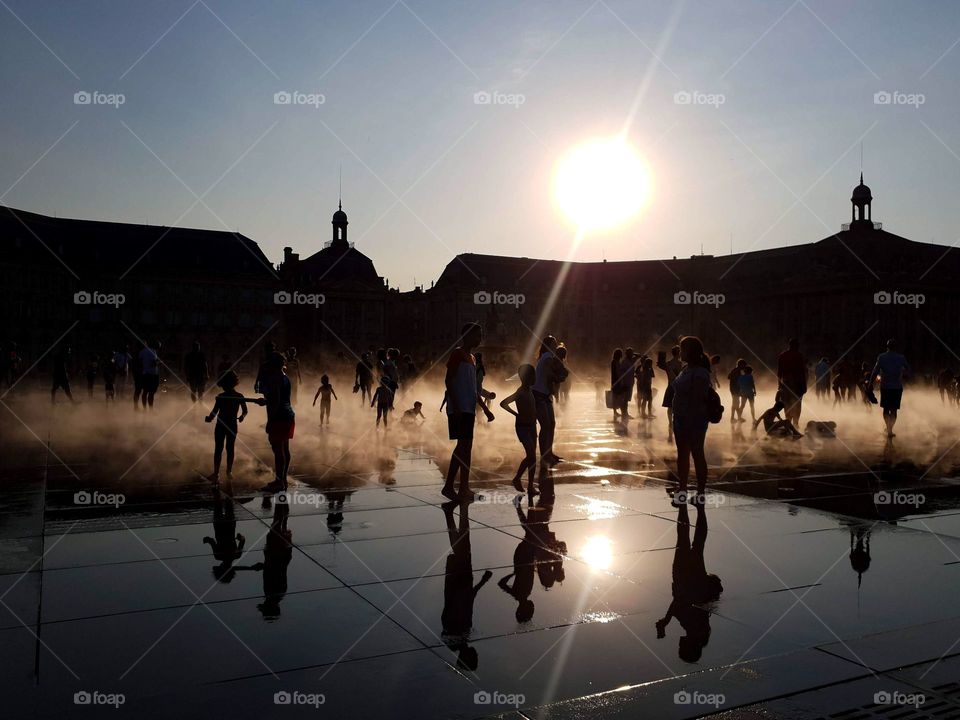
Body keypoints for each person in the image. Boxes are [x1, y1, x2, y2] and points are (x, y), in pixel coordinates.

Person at [655, 503, 722, 663]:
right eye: (681, 649)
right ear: (689, 647)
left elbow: (679, 605)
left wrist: (666, 621)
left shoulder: (697, 630)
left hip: (693, 580)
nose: (678, 645)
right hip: (685, 579)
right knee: (685, 539)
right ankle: (684, 507)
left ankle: (697, 508)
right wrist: (666, 621)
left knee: (697, 544)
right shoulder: (694, 628)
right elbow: (680, 602)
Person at [441, 322, 494, 502]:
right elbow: (448, 381)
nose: (479, 339)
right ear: (466, 336)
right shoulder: (457, 354)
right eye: (477, 335)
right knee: (462, 447)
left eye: (481, 335)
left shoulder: (471, 358)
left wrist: (486, 409)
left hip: (469, 407)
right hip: (459, 407)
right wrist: (454, 405)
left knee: (467, 448)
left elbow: (474, 389)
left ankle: (463, 487)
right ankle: (450, 486)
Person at [441, 501, 491, 671]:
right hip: (458, 584)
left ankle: (462, 508)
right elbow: (469, 600)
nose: (476, 654)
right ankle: (450, 512)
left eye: (473, 658)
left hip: (459, 583)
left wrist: (479, 582)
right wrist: (482, 582)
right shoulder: (460, 635)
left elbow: (466, 600)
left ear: (466, 657)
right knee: (461, 546)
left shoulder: (459, 634)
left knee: (463, 543)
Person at [670, 336, 712, 505]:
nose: (680, 351)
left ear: (691, 351)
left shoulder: (700, 372)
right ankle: (682, 490)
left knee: (697, 454)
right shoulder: (686, 369)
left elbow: (699, 396)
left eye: (682, 348)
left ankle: (700, 493)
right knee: (682, 455)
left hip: (694, 418)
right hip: (680, 417)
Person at [254, 352, 295, 493]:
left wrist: (270, 421)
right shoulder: (285, 378)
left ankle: (279, 482)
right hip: (288, 414)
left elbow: (276, 400)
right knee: (285, 449)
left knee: (278, 450)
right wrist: (265, 401)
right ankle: (282, 479)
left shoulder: (275, 379)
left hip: (279, 416)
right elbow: (280, 398)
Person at [499, 364, 538, 497]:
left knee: (532, 458)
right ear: (525, 377)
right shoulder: (520, 392)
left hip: (532, 426)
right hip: (523, 427)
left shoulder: (530, 391)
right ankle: (518, 479)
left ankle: (530, 485)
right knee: (531, 455)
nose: (535, 378)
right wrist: (516, 414)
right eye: (533, 376)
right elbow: (503, 403)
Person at [204, 370, 248, 482]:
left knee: (228, 448)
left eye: (224, 385)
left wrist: (242, 416)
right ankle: (218, 472)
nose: (223, 388)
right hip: (223, 425)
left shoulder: (237, 396)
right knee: (221, 448)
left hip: (229, 425)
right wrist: (210, 417)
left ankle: (226, 472)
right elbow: (215, 411)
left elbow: (245, 410)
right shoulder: (222, 397)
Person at [533, 335, 567, 470]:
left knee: (550, 424)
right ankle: (545, 455)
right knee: (546, 425)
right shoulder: (547, 357)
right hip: (540, 395)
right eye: (553, 344)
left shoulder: (547, 357)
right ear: (548, 346)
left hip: (544, 395)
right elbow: (549, 375)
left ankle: (549, 453)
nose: (556, 345)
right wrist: (559, 377)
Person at [870, 339, 910, 438]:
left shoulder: (882, 357)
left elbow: (875, 372)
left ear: (887, 347)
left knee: (886, 409)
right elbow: (909, 370)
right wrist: (903, 375)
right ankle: (890, 429)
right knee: (894, 410)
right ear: (896, 347)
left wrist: (870, 383)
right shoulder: (901, 358)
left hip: (885, 387)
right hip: (897, 387)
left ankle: (888, 428)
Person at [777, 338, 807, 427]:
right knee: (797, 403)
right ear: (795, 346)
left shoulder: (782, 356)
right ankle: (796, 423)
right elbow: (802, 371)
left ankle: (788, 422)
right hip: (798, 383)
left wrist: (779, 384)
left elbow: (779, 372)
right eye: (797, 346)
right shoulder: (799, 355)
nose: (798, 347)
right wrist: (804, 385)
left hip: (786, 382)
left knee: (787, 403)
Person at [659, 345, 683, 441]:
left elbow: (661, 365)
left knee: (670, 407)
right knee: (676, 406)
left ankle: (670, 422)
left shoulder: (668, 363)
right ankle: (674, 421)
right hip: (678, 387)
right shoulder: (680, 364)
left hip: (671, 386)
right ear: (678, 353)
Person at [138, 340, 161, 409]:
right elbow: (153, 363)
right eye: (159, 345)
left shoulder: (142, 351)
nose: (159, 347)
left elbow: (140, 362)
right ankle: (150, 409)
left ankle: (145, 409)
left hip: (145, 374)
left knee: (145, 392)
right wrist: (159, 362)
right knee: (151, 392)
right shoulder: (153, 352)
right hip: (152, 374)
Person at [609, 348, 623, 422]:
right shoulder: (615, 362)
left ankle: (616, 412)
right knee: (617, 397)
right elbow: (617, 372)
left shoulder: (615, 362)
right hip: (616, 381)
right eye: (620, 354)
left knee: (616, 397)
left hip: (615, 381)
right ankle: (616, 412)